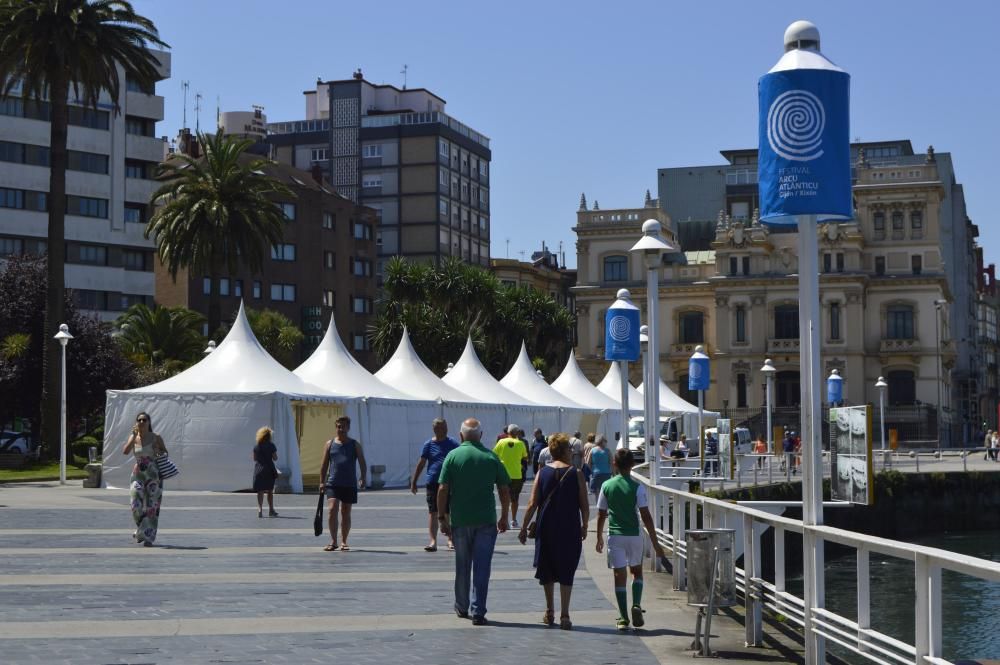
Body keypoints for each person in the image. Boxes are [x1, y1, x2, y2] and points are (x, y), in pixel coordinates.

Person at [438, 418, 511, 626]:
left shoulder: (452, 456)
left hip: (460, 520)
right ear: (481, 435)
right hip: (486, 520)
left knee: (462, 565)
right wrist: (504, 516)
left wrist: (442, 517)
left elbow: (442, 489)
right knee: (482, 566)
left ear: (461, 435)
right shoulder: (491, 457)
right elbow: (504, 490)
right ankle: (478, 610)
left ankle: (462, 606)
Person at [517, 433, 589, 630]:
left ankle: (549, 611)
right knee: (567, 569)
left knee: (546, 569)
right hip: (569, 527)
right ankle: (565, 615)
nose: (572, 453)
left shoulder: (542, 473)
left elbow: (532, 504)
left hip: (546, 526)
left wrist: (524, 527)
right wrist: (585, 526)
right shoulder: (577, 473)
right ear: (564, 451)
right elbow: (584, 504)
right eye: (570, 450)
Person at [595, 448, 666, 631]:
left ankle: (623, 618)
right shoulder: (638, 487)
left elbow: (601, 513)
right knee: (636, 571)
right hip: (634, 535)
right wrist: (656, 543)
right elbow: (646, 516)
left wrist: (598, 537)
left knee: (619, 576)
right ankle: (636, 604)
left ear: (614, 464)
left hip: (616, 536)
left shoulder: (607, 486)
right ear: (633, 465)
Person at [410, 418, 460, 551]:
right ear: (434, 429)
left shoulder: (453, 443)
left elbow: (460, 460)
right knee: (433, 512)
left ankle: (450, 539)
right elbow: (421, 463)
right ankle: (433, 541)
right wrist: (414, 481)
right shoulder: (428, 444)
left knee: (448, 511)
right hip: (433, 481)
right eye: (439, 427)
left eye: (444, 426)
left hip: (449, 482)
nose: (443, 429)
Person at [319, 416, 367, 552]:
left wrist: (363, 477)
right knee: (332, 509)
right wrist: (322, 482)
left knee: (346, 512)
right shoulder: (329, 444)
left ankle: (344, 541)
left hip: (349, 483)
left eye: (344, 427)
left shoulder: (355, 444)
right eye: (339, 427)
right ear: (336, 428)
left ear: (348, 428)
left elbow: (362, 462)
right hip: (333, 483)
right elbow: (323, 465)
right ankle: (333, 541)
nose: (341, 429)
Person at [121, 411, 166, 547]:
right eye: (139, 420)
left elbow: (165, 452)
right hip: (138, 473)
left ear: (149, 422)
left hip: (153, 474)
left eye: (144, 420)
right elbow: (125, 451)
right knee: (135, 503)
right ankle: (141, 530)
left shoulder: (156, 437)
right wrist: (133, 436)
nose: (141, 422)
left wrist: (158, 450)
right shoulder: (134, 437)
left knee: (152, 506)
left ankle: (148, 537)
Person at [493, 424, 528, 528]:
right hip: (517, 475)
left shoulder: (501, 442)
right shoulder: (521, 443)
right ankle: (513, 520)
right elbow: (525, 457)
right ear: (517, 433)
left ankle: (505, 520)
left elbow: (493, 455)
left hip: (503, 474)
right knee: (515, 499)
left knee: (504, 499)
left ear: (507, 432)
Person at [252, 426, 279, 518]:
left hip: (259, 470)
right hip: (269, 469)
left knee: (260, 490)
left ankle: (260, 509)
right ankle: (271, 509)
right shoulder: (271, 445)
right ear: (269, 435)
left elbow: (254, 459)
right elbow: (275, 458)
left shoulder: (256, 446)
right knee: (270, 491)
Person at [586, 434, 612, 500]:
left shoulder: (592, 450)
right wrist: (613, 473)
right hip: (607, 473)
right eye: (605, 441)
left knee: (597, 493)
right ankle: (605, 507)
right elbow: (611, 463)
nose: (606, 442)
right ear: (602, 441)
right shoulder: (608, 451)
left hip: (596, 473)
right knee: (606, 491)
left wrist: (592, 470)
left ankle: (599, 506)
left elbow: (588, 463)